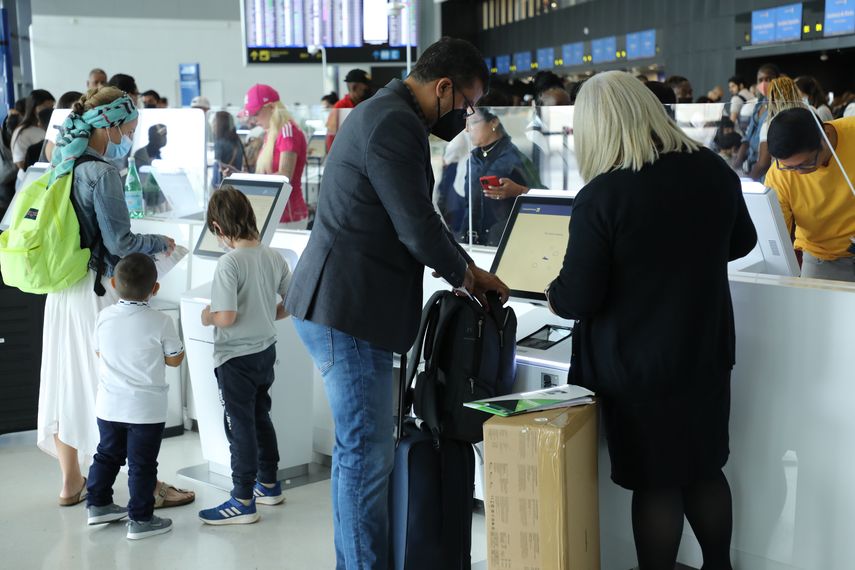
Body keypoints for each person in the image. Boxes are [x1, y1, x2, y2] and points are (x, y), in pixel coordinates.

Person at [284, 37, 509, 570]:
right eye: (467, 104)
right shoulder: (393, 123)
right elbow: (416, 225)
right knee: (366, 458)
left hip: (341, 305)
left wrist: (461, 268)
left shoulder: (380, 113)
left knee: (357, 456)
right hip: (348, 310)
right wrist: (468, 275)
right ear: (443, 87)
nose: (466, 115)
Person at [546, 70, 757, 570]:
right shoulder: (711, 169)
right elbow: (742, 242)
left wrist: (553, 296)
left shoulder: (604, 195)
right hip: (705, 352)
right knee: (703, 468)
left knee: (656, 481)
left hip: (637, 366)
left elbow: (578, 297)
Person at [38, 85, 194, 510]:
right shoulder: (102, 173)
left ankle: (72, 482)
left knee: (69, 381)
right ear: (108, 126)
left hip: (63, 291)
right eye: (129, 127)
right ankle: (149, 486)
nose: (131, 136)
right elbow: (121, 242)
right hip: (98, 293)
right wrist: (160, 241)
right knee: (120, 387)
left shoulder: (62, 160)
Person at [197, 186, 292, 525]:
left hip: (235, 359)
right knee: (260, 416)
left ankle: (241, 499)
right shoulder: (273, 256)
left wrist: (207, 316)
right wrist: (268, 313)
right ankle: (269, 483)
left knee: (240, 426)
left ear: (218, 228)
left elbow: (225, 317)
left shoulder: (229, 263)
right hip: (265, 353)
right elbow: (291, 301)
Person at [86, 253, 185, 540]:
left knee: (106, 455)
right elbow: (174, 360)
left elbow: (100, 352)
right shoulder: (162, 321)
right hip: (145, 411)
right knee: (141, 465)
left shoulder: (103, 317)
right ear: (155, 288)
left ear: (115, 283)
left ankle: (99, 504)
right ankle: (141, 519)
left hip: (108, 406)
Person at [766, 108, 855, 281]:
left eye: (805, 163)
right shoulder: (778, 176)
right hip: (821, 258)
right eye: (790, 167)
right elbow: (776, 237)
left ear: (825, 138)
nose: (798, 173)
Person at [465, 93, 542, 245]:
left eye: (473, 122)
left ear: (494, 121)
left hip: (508, 240)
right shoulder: (474, 157)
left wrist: (519, 191)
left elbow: (544, 195)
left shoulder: (517, 157)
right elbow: (469, 204)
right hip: (475, 242)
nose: (467, 129)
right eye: (466, 122)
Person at [244, 84, 309, 228]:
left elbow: (285, 175)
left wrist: (250, 180)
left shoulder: (287, 131)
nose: (254, 119)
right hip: (274, 214)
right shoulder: (271, 134)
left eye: (256, 113)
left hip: (288, 217)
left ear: (271, 107)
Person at [732, 63, 781, 174]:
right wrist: (737, 163)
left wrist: (751, 178)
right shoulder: (759, 104)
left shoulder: (779, 106)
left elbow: (765, 161)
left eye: (768, 79)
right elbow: (748, 137)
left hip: (768, 169)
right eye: (760, 80)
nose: (764, 83)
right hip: (751, 164)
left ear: (777, 80)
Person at [751, 76, 803, 182]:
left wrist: (747, 180)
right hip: (809, 178)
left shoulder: (771, 124)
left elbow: (763, 164)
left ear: (772, 99)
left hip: (781, 181)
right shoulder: (811, 113)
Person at [325, 68, 373, 151]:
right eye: (365, 89)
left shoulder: (367, 105)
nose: (369, 90)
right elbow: (331, 138)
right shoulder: (340, 108)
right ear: (354, 87)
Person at [11, 89, 55, 172]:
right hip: (31, 177)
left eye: (52, 107)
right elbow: (19, 162)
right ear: (33, 108)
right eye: (45, 107)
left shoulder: (52, 126)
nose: (50, 111)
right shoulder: (23, 131)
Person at [133, 124, 169, 212]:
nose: (164, 138)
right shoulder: (141, 154)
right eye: (162, 135)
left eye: (165, 135)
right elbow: (140, 182)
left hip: (158, 200)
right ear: (152, 136)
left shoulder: (158, 155)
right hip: (143, 203)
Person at [213, 111, 245, 177]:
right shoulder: (237, 141)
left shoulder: (219, 142)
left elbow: (216, 170)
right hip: (236, 180)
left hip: (224, 182)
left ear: (220, 124)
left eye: (214, 121)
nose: (213, 124)